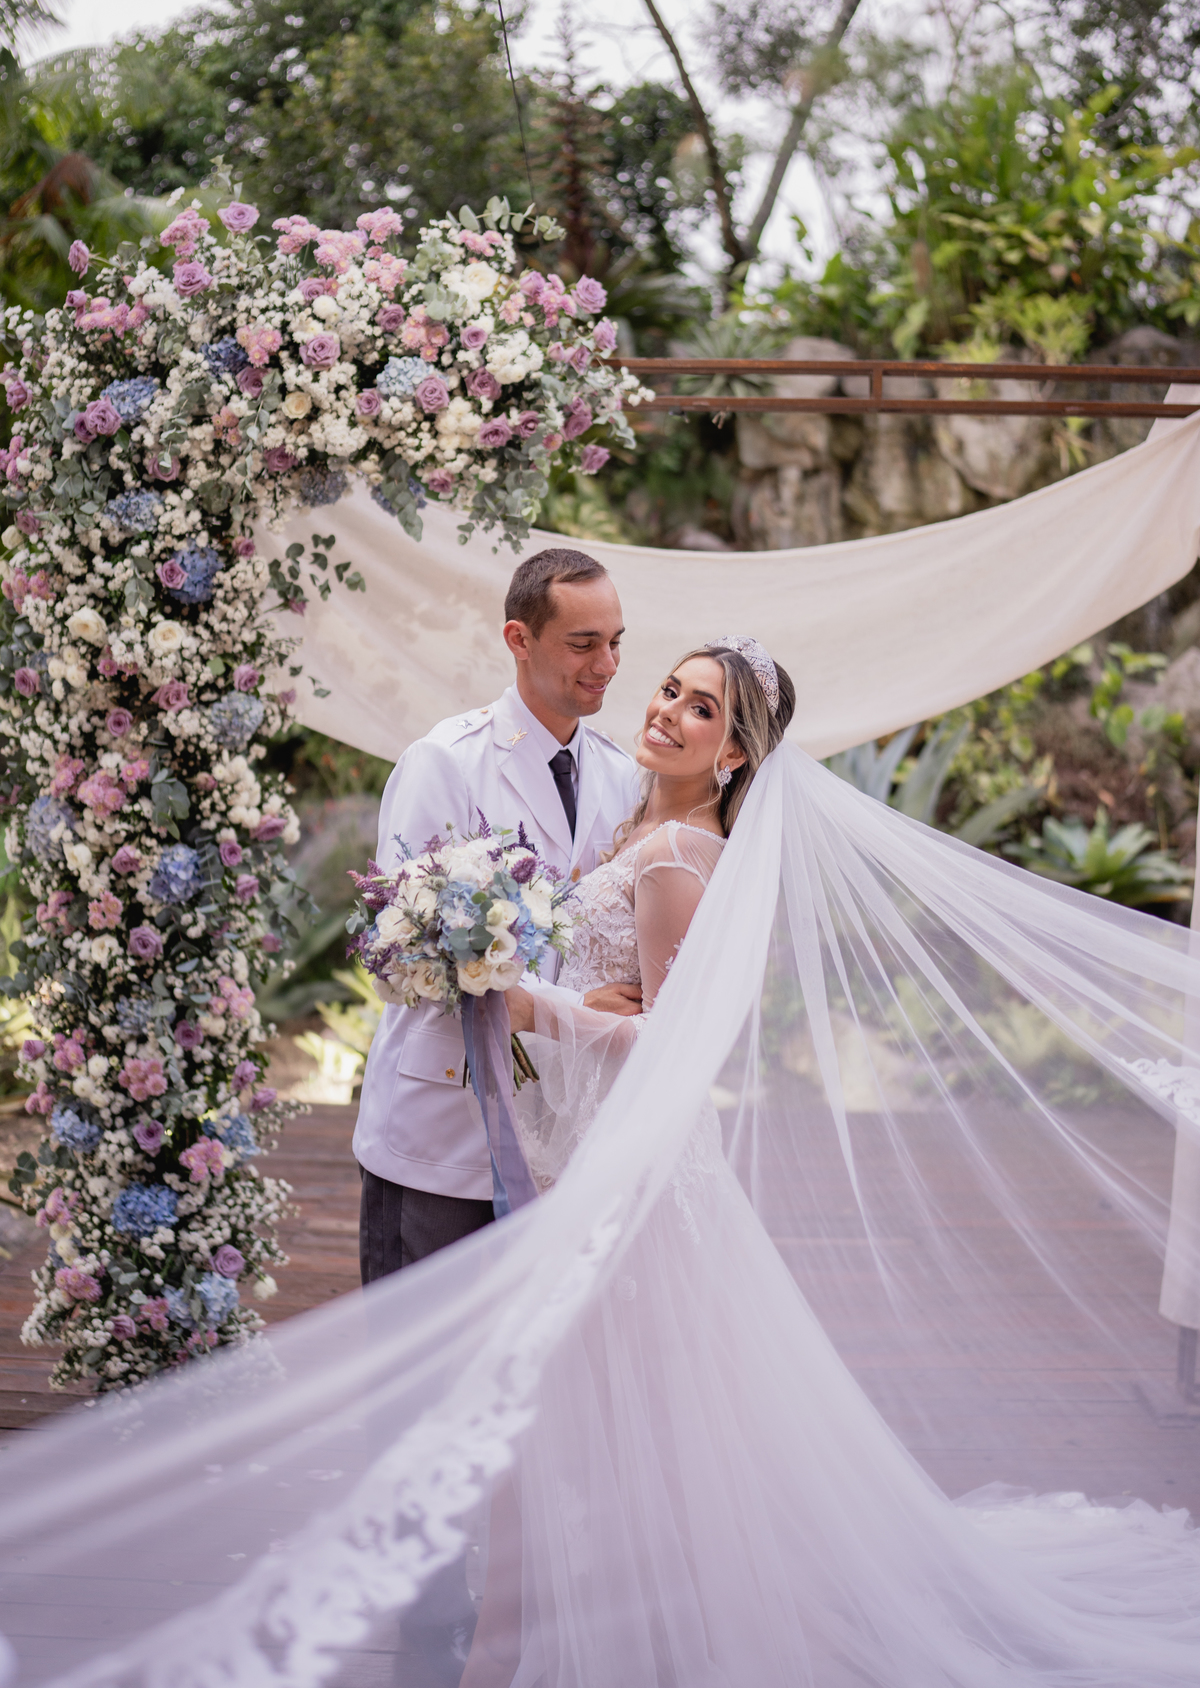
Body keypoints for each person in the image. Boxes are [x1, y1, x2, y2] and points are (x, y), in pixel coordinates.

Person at [7, 640, 1200, 1688]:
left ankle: (583, 1636)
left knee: (605, 1404)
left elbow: (683, 1038)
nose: (668, 711)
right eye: (670, 688)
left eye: (702, 709)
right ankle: (549, 1623)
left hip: (628, 1169)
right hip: (570, 1143)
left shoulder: (679, 851)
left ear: (736, 754)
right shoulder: (630, 820)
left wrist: (539, 1006)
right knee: (588, 1408)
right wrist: (541, 981)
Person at [353, 547, 641, 1282]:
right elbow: (403, 953)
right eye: (584, 644)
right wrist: (573, 1010)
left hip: (562, 1133)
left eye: (616, 642)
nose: (607, 665)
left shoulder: (622, 775)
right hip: (443, 1128)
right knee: (419, 1346)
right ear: (519, 638)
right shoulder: (445, 761)